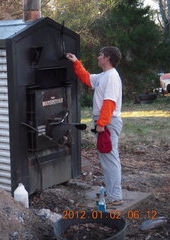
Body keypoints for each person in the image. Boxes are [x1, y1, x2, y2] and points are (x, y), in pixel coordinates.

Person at [66, 46, 123, 206]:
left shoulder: (111, 77)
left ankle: (115, 197)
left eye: (100, 55)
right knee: (108, 159)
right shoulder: (104, 76)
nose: (98, 57)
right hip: (105, 122)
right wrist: (76, 62)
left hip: (108, 123)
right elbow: (87, 78)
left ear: (107, 58)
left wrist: (101, 125)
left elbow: (109, 102)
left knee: (110, 159)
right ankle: (113, 192)